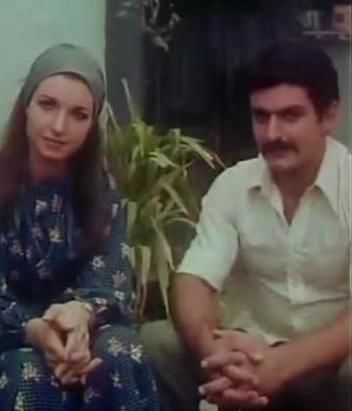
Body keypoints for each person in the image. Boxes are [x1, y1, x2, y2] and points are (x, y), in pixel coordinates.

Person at [0, 44, 159, 411]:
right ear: (26, 106)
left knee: (119, 352)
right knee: (30, 374)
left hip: (82, 337)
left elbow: (109, 284)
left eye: (78, 115)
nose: (59, 127)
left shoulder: (102, 192)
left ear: (92, 124)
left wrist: (81, 315)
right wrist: (37, 332)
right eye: (47, 105)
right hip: (2, 346)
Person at [140, 41, 351, 411]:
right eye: (261, 116)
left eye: (290, 116)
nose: (273, 133)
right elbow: (194, 279)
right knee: (156, 342)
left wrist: (282, 365)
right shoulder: (234, 186)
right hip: (250, 354)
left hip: (330, 364)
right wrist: (213, 353)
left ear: (329, 116)